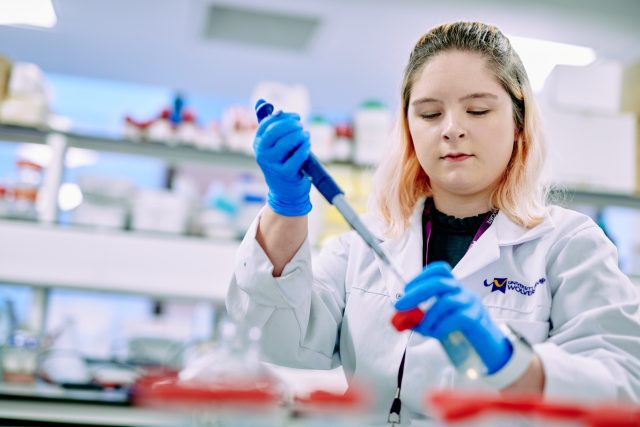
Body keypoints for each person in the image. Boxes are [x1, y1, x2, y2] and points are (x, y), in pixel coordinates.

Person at [226, 21, 640, 424]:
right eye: (429, 113)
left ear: (518, 122)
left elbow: (624, 389)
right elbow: (278, 337)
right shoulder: (367, 243)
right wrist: (286, 205)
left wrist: (511, 361)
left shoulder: (567, 245)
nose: (452, 129)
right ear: (407, 129)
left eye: (477, 109)